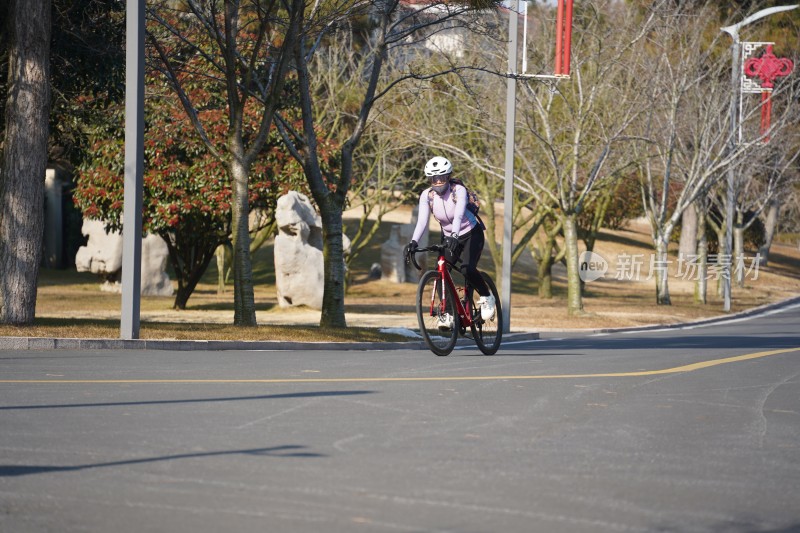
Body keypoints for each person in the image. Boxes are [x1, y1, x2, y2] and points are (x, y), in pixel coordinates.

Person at [403, 156, 496, 325]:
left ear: (448, 176)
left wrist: (454, 234)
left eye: (442, 177)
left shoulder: (457, 190)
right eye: (434, 178)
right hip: (450, 237)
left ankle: (486, 296)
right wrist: (413, 242)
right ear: (429, 179)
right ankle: (449, 313)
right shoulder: (427, 196)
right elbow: (422, 221)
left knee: (467, 269)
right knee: (441, 271)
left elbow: (459, 214)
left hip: (471, 234)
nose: (438, 182)